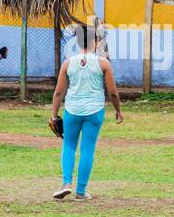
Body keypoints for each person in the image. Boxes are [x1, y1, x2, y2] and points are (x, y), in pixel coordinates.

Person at [49, 31, 122, 201]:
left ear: (78, 43)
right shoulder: (103, 64)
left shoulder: (68, 63)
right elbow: (113, 92)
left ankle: (66, 183)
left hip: (72, 110)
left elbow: (59, 92)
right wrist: (118, 110)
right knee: (87, 149)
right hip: (94, 110)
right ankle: (81, 191)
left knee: (68, 146)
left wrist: (54, 115)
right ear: (95, 43)